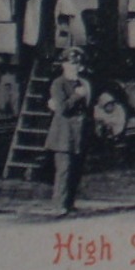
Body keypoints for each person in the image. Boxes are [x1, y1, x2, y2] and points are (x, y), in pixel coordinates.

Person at [43, 48, 93, 216]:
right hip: (63, 135)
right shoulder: (58, 83)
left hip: (79, 135)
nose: (75, 66)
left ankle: (69, 203)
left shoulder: (83, 84)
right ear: (64, 65)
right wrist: (77, 96)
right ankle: (58, 205)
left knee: (76, 170)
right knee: (64, 170)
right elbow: (62, 108)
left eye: (78, 63)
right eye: (72, 63)